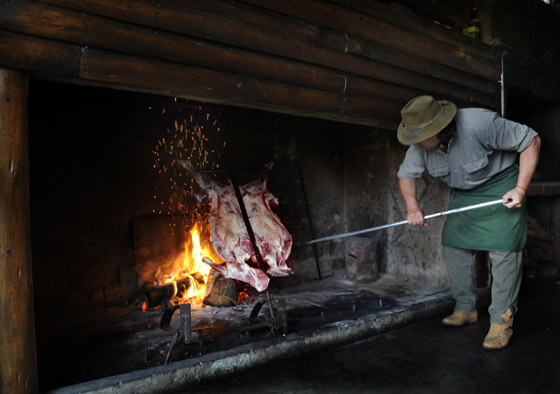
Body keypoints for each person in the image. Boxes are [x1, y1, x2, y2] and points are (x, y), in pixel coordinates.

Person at [396, 95, 541, 350]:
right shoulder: (420, 146)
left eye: (420, 136)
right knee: (454, 244)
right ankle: (466, 308)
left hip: (501, 187)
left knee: (504, 251)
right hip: (464, 196)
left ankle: (500, 322)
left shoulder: (479, 123)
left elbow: (532, 140)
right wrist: (412, 206)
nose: (415, 143)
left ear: (438, 129)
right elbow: (407, 175)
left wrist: (520, 188)